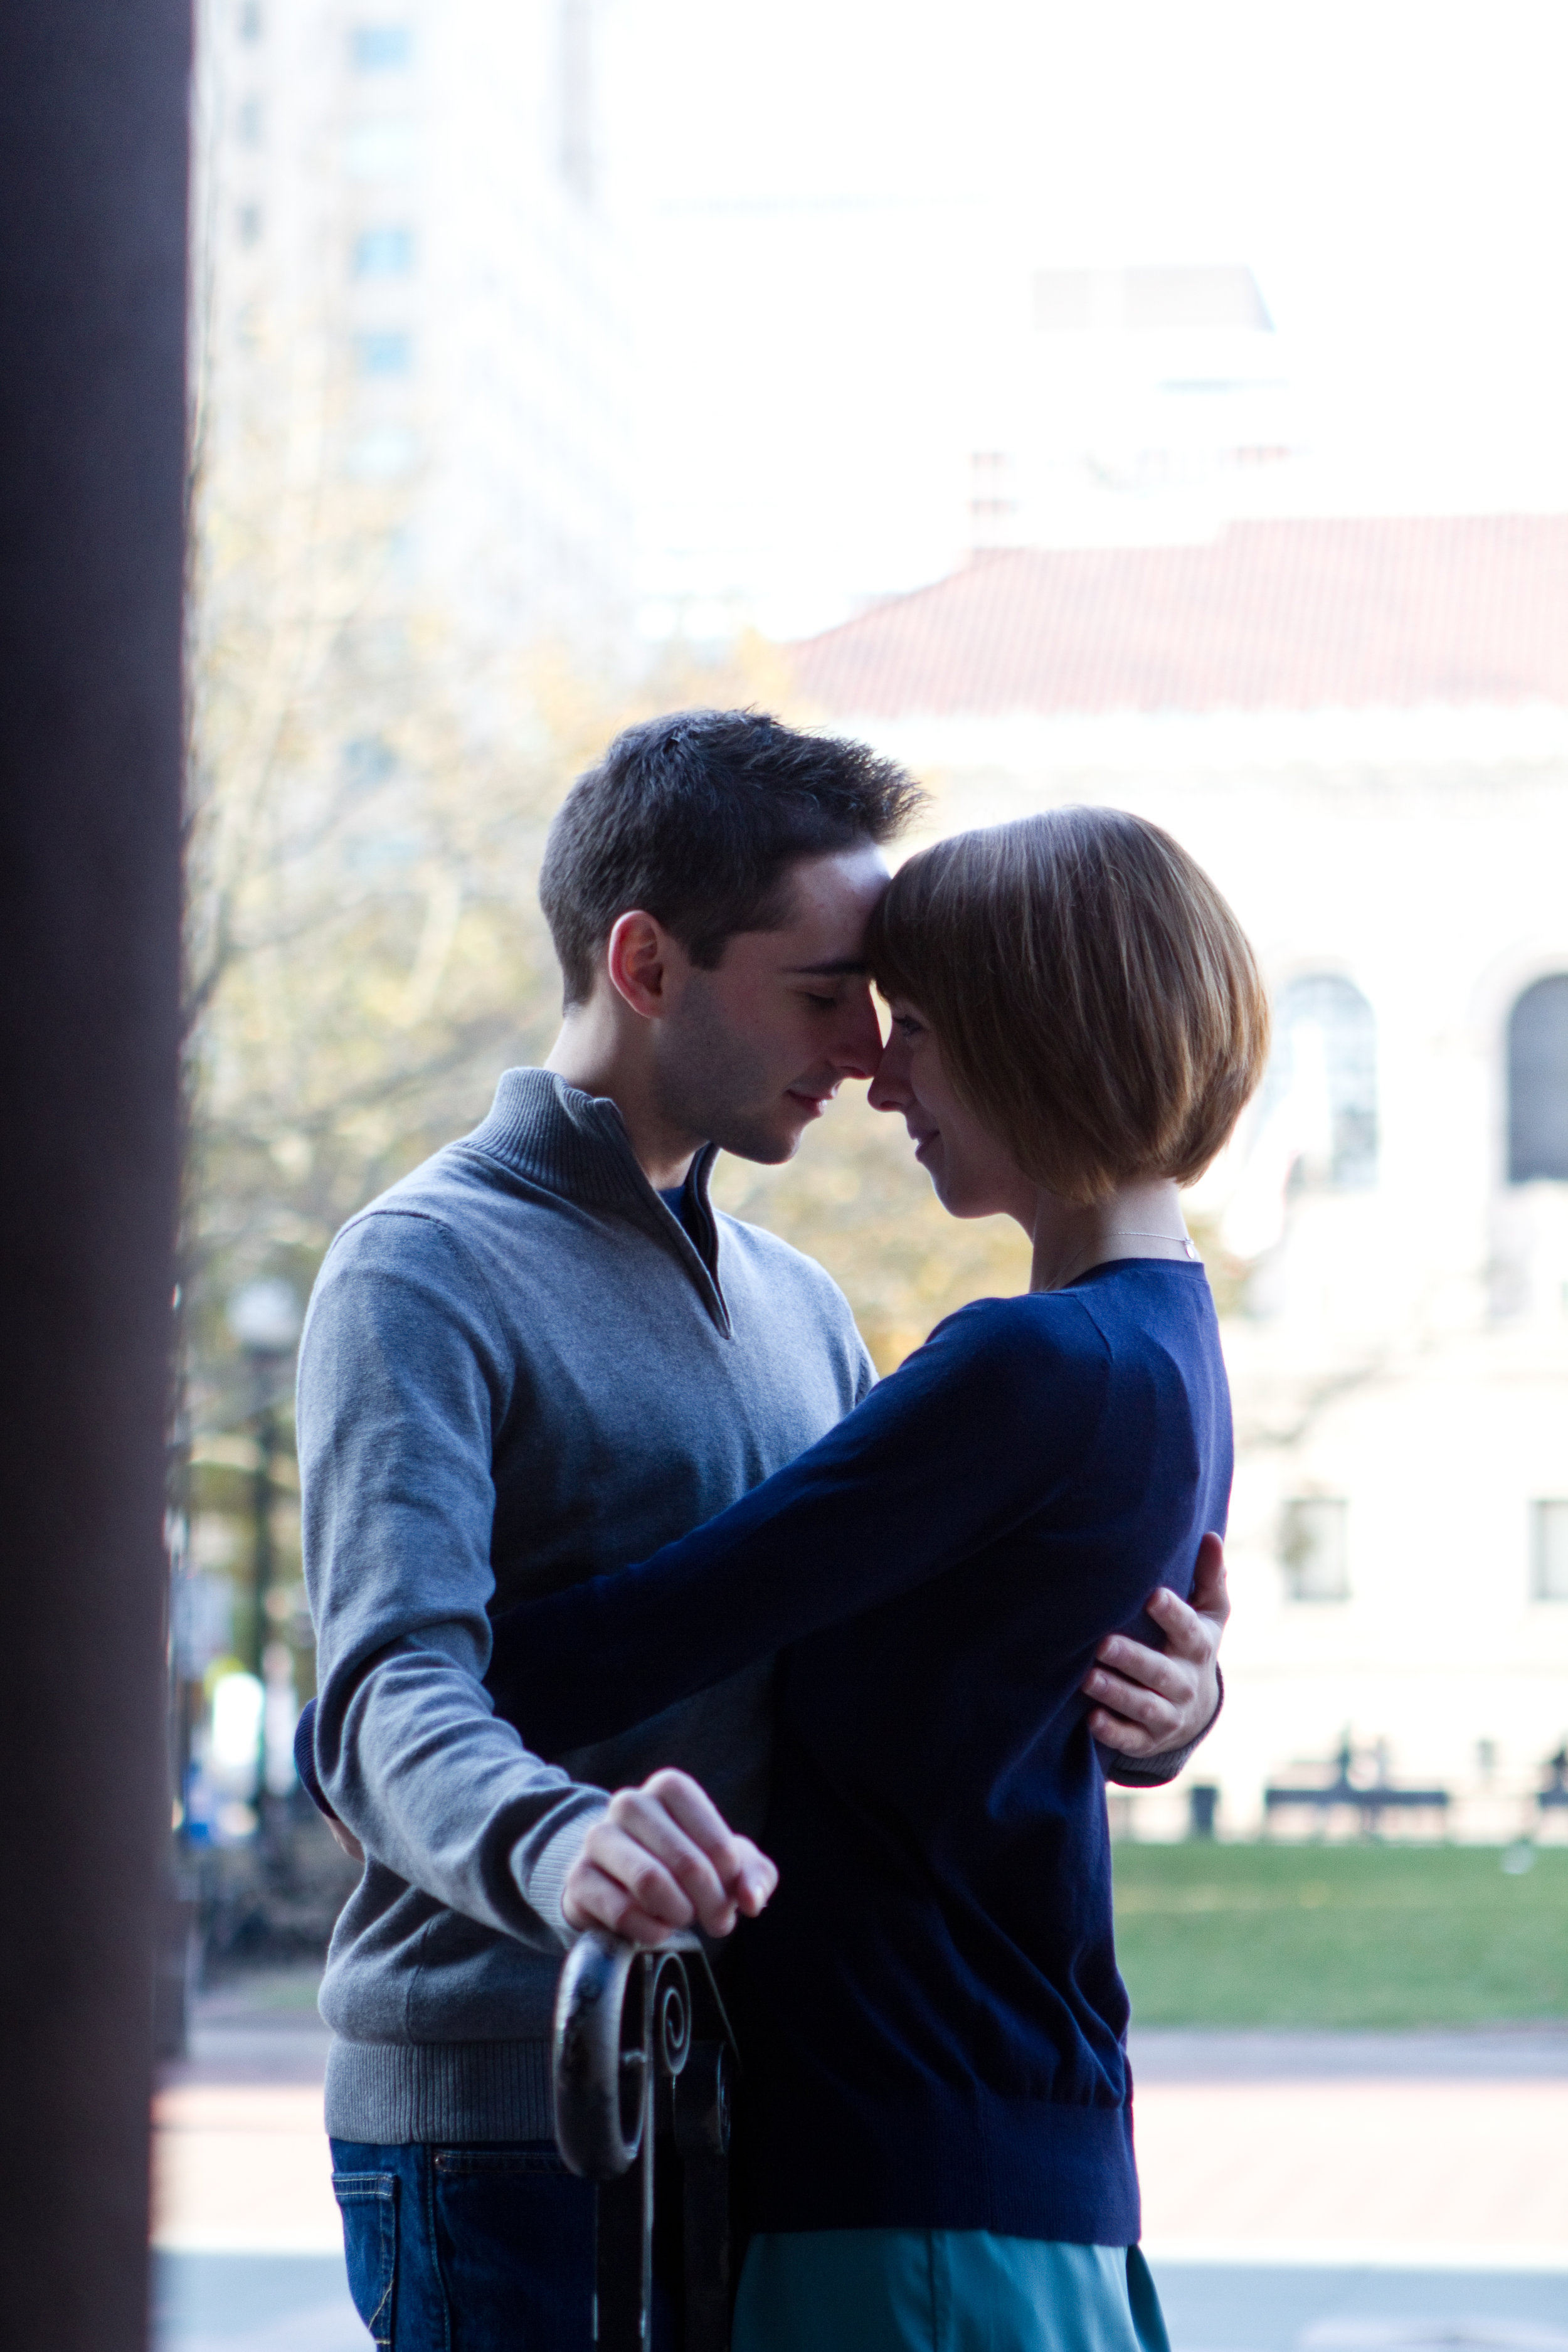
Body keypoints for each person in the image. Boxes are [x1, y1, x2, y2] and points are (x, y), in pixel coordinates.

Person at [297, 718, 1227, 2350]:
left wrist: (1156, 1693)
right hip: (510, 2106)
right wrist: (555, 1842)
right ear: (645, 963)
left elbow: (884, 1653)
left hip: (747, 2112)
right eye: (823, 992)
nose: (870, 1051)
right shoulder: (420, 1268)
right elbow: (387, 1697)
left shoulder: (803, 1307)